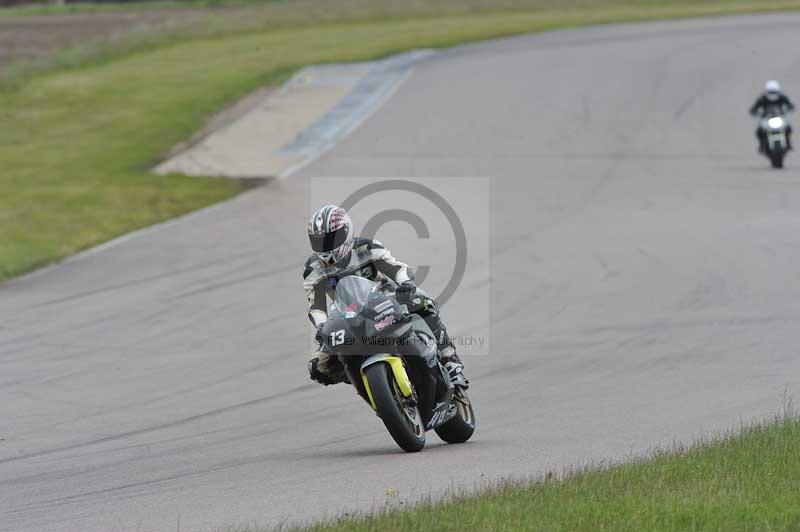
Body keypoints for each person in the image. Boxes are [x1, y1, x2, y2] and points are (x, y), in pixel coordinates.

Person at [303, 204, 465, 386]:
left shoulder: (366, 247)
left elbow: (396, 268)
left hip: (386, 301)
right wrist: (322, 326)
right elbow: (316, 306)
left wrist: (405, 284)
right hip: (347, 318)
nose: (325, 247)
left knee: (422, 299)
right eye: (319, 241)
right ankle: (369, 381)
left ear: (346, 232)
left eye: (331, 239)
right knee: (318, 367)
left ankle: (450, 359)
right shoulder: (313, 268)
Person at [750, 80, 795, 152]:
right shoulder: (762, 99)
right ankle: (762, 145)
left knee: (788, 129)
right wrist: (755, 112)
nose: (773, 94)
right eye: (771, 92)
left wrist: (789, 108)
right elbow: (754, 108)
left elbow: (790, 105)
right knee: (759, 131)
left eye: (774, 92)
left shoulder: (782, 97)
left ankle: (788, 143)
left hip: (779, 118)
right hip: (766, 119)